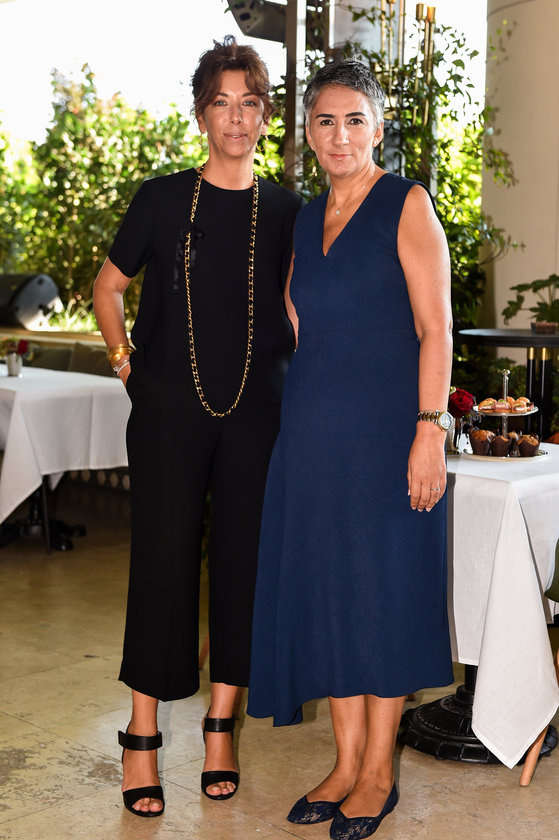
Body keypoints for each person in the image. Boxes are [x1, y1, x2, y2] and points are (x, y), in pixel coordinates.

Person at [93, 36, 302, 817]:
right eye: (222, 102)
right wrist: (126, 366)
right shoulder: (160, 199)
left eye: (250, 103)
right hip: (167, 415)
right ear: (201, 114)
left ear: (265, 115)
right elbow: (108, 287)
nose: (237, 118)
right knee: (162, 565)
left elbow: (294, 310)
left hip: (257, 413)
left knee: (244, 568)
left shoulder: (285, 211)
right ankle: (142, 736)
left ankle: (220, 729)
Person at [248, 60, 454, 840]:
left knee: (381, 595)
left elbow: (435, 329)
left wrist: (428, 429)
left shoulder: (406, 203)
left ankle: (377, 773)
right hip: (310, 434)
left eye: (354, 120)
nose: (340, 135)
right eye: (325, 121)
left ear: (377, 128)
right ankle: (342, 765)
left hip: (387, 432)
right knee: (328, 593)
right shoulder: (304, 219)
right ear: (307, 132)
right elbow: (300, 328)